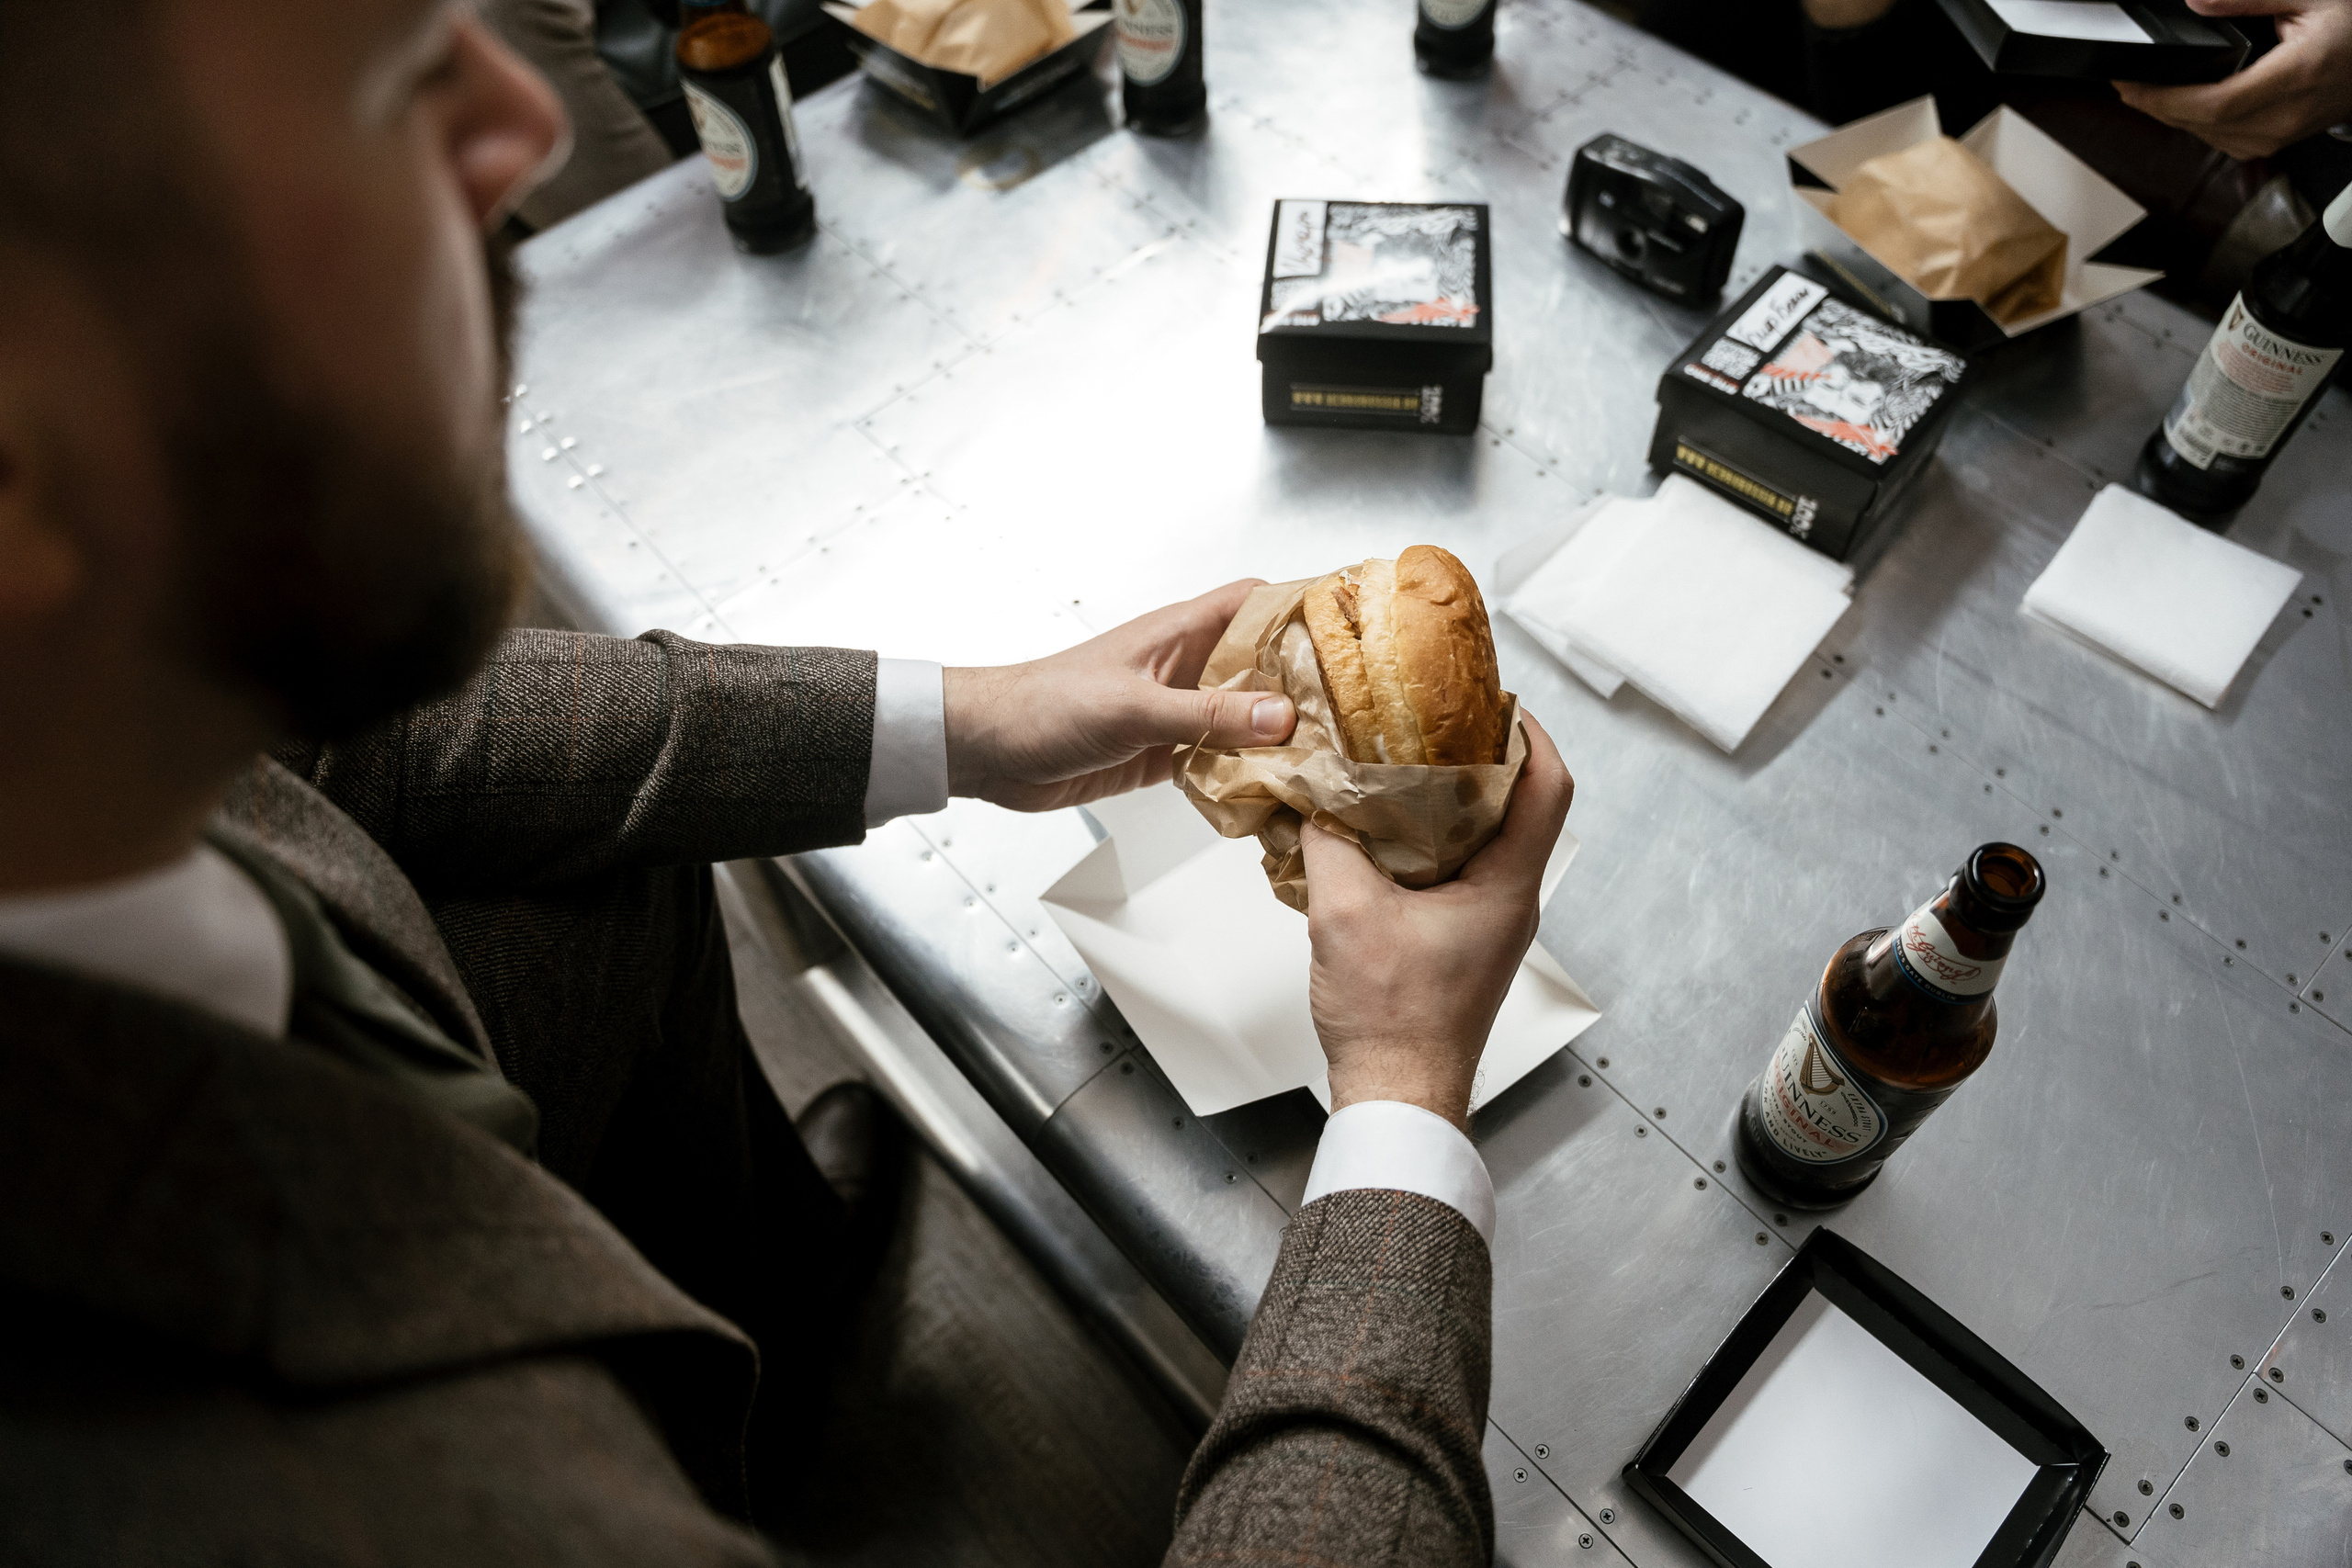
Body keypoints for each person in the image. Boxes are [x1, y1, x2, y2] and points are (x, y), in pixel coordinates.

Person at [0, 4, 1571, 1563]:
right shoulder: (384, 1502)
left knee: (605, 875)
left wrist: (975, 721)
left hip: (391, 1013)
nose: (526, 127)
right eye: (396, 80)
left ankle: (766, 1292)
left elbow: (353, 754)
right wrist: (1400, 1105)